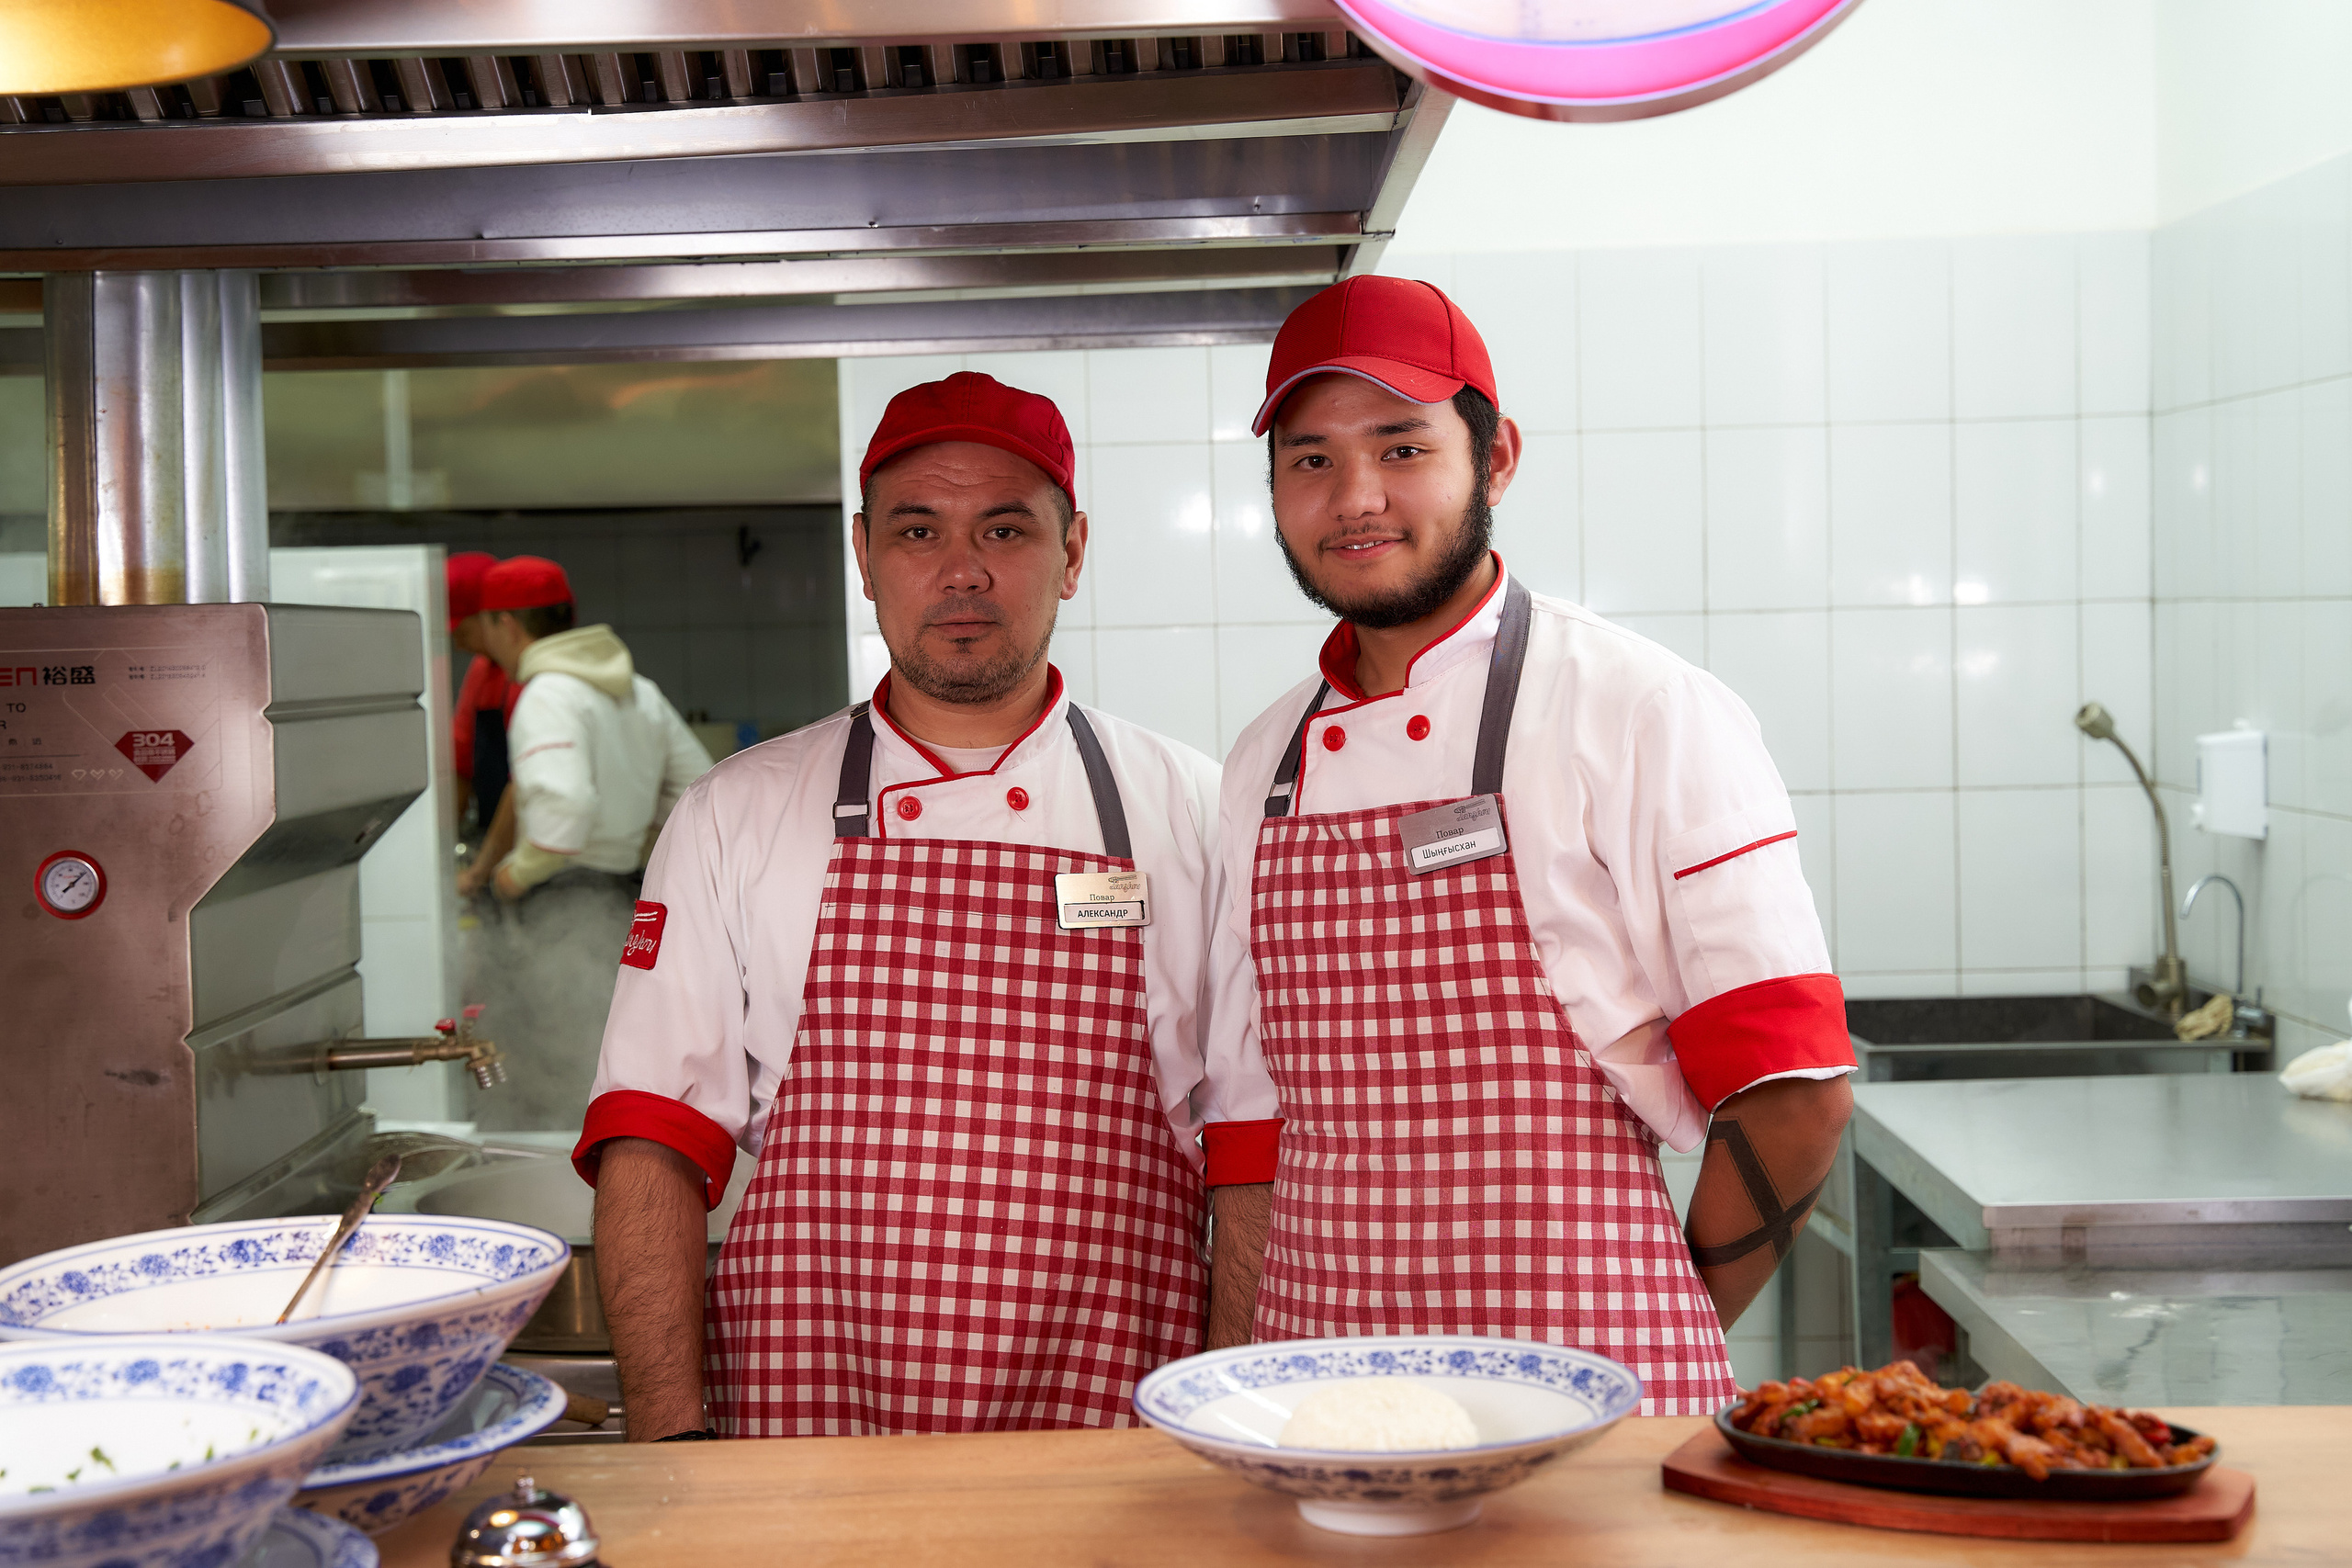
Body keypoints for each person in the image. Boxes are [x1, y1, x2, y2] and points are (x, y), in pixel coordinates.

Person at [1199, 276, 1856, 1415]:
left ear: (1494, 457)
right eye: (1311, 460)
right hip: (1328, 1405)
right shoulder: (1267, 761)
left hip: (1589, 1397)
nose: (1356, 497)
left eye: (1401, 447)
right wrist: (1242, 1387)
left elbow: (1792, 1088)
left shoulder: (1642, 709)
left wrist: (1662, 1311)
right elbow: (1253, 1128)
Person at [572, 372, 1239, 1441]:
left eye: (1006, 530)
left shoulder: (1193, 810)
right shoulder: (735, 814)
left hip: (1119, 1451)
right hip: (804, 1444)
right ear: (864, 554)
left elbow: (1247, 1150)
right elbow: (652, 1137)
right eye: (918, 530)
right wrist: (669, 1438)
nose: (962, 571)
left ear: (1073, 555)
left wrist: (1233, 1425)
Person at [460, 555, 712, 1130]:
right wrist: (639, 838)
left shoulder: (549, 693)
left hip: (562, 903)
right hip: (624, 900)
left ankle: (553, 1191)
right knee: (611, 1054)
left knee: (556, 1059)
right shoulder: (640, 692)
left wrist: (516, 872)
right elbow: (699, 788)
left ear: (507, 625)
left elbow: (563, 813)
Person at [446, 550, 514, 835]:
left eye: (461, 632)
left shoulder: (535, 677)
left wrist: (481, 869)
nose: (459, 645)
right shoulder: (481, 670)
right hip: (496, 843)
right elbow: (459, 764)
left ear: (493, 619)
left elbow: (524, 785)